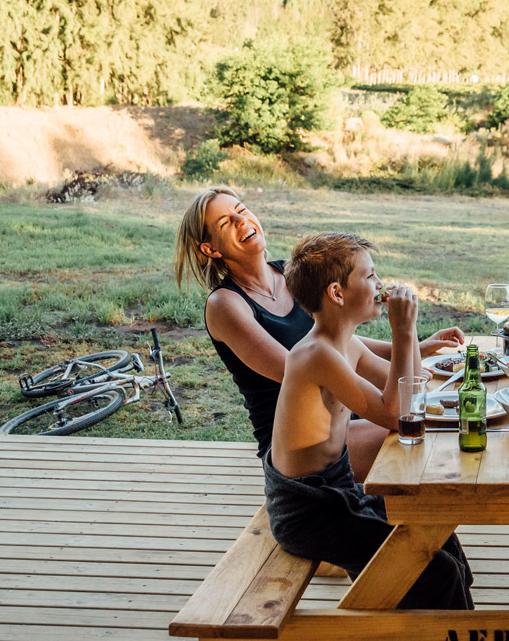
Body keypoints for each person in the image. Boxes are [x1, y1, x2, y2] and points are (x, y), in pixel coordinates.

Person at [263, 232, 490, 641]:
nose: (381, 284)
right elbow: (396, 413)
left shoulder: (345, 342)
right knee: (429, 570)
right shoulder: (316, 354)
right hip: (308, 510)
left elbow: (409, 390)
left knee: (436, 533)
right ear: (337, 293)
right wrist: (405, 331)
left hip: (335, 489)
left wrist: (413, 343)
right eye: (370, 276)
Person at [173, 187, 464, 479]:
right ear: (210, 249)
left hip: (344, 414)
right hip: (298, 444)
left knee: (429, 424)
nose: (241, 221)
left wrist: (414, 344)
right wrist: (401, 339)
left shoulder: (288, 274)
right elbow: (294, 366)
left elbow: (341, 340)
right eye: (225, 222)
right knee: (417, 433)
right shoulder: (225, 304)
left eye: (241, 210)